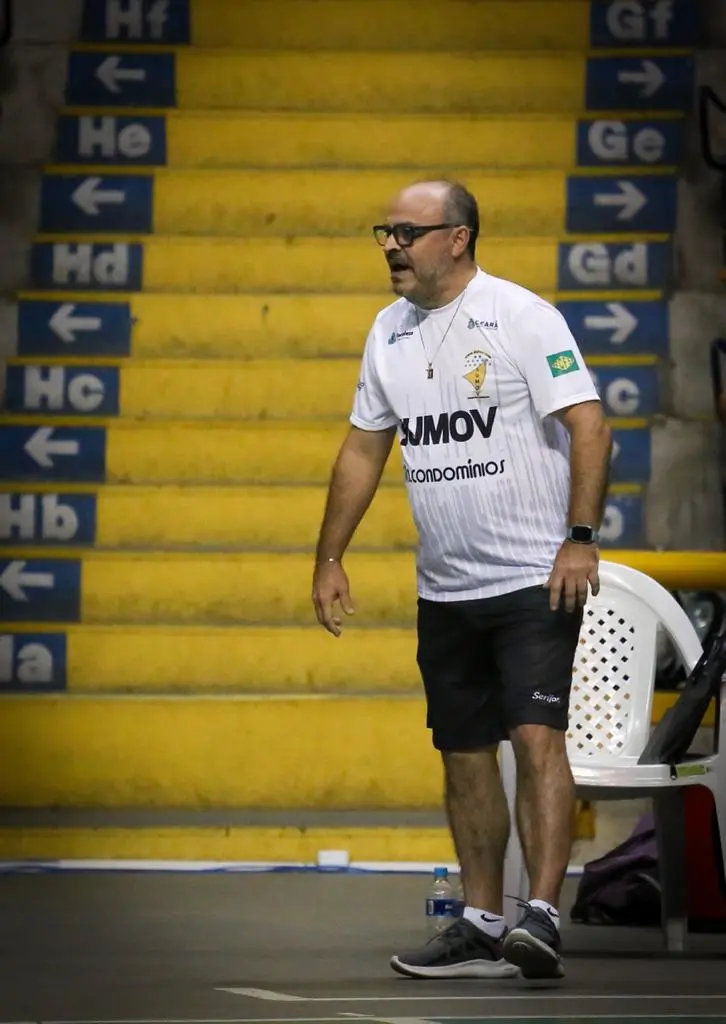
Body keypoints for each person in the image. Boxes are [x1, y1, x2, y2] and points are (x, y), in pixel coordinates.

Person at [311, 180, 613, 981]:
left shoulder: (522, 317)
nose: (390, 245)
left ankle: (541, 916)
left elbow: (589, 422)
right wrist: (330, 556)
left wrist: (579, 539)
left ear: (459, 238)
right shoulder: (388, 333)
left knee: (536, 737)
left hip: (532, 578)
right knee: (463, 752)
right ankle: (481, 921)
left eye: (407, 232)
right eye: (385, 231)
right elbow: (363, 449)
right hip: (446, 587)